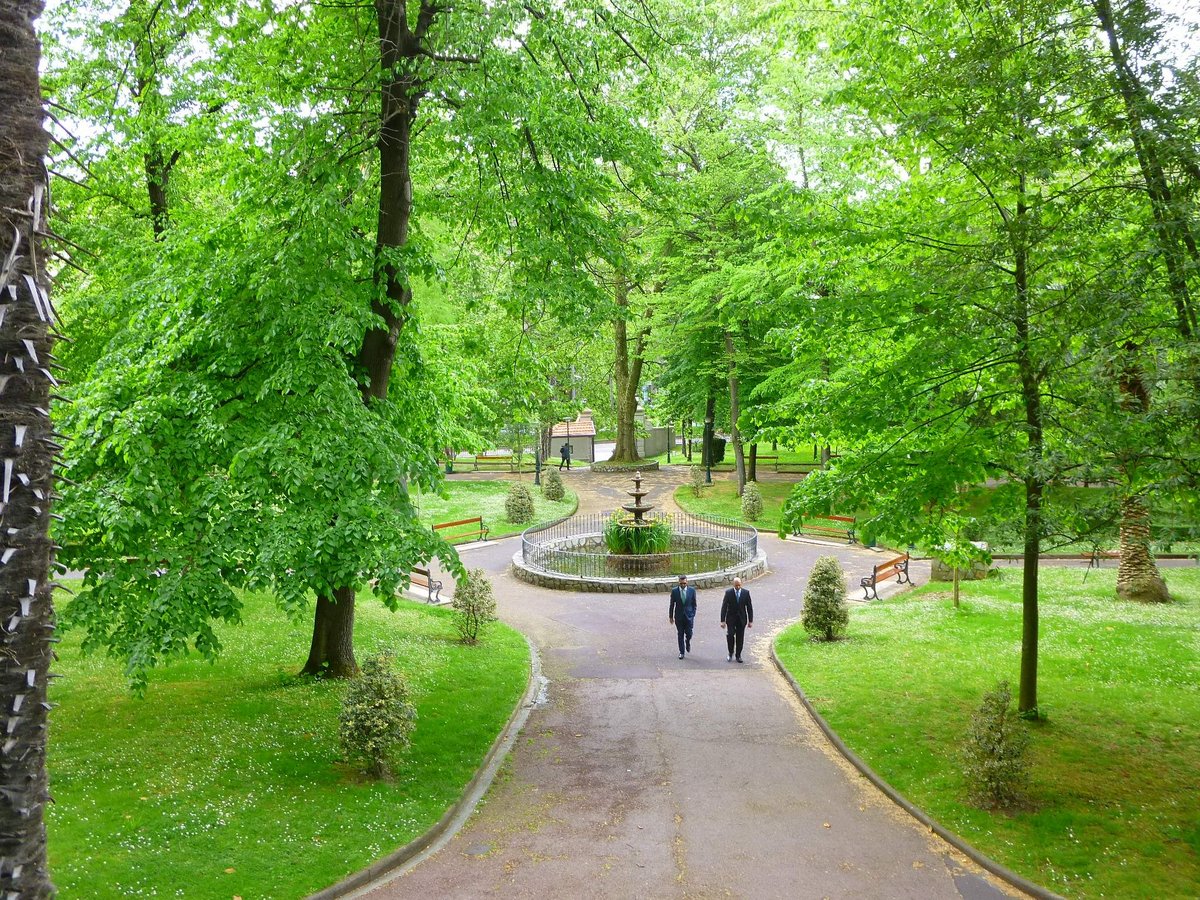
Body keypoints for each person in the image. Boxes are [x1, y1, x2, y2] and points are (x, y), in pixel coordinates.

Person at [720, 576, 753, 663]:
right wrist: (722, 620)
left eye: (739, 585)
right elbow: (724, 607)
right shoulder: (728, 593)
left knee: (740, 637)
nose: (738, 587)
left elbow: (749, 607)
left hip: (741, 619)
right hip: (731, 618)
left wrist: (750, 621)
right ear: (733, 585)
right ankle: (730, 652)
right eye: (736, 586)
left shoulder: (746, 593)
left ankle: (738, 655)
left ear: (741, 584)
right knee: (730, 635)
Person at [668, 574, 697, 660]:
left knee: (689, 633)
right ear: (679, 583)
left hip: (689, 616)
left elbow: (694, 604)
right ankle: (682, 652)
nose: (683, 585)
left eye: (684, 583)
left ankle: (687, 641)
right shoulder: (674, 591)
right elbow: (672, 604)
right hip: (679, 616)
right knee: (680, 634)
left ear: (687, 582)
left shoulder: (692, 590)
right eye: (681, 584)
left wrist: (693, 614)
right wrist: (670, 616)